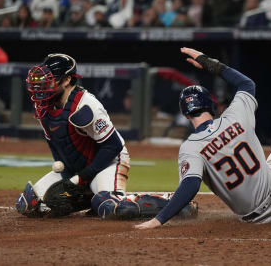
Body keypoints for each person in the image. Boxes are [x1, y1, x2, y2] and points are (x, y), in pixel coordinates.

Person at [135, 47, 271, 230]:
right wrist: (210, 64)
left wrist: (158, 220)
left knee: (263, 187)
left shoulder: (190, 148)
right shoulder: (235, 115)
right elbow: (247, 84)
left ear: (185, 114)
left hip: (253, 219)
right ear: (211, 105)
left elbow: (191, 185)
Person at [16, 53, 197, 219]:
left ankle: (174, 202)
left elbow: (113, 145)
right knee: (29, 204)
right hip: (79, 168)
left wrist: (79, 179)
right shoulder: (43, 107)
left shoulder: (84, 106)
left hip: (109, 162)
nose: (43, 86)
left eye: (50, 80)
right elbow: (56, 144)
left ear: (67, 80)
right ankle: (90, 196)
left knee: (112, 207)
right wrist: (69, 178)